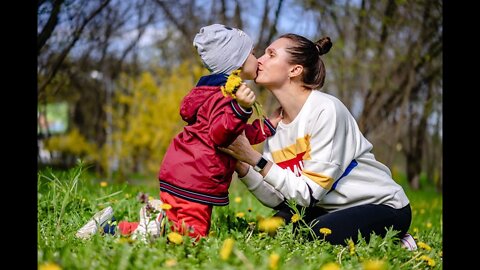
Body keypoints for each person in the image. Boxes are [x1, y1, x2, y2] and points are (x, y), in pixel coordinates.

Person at [76, 24, 280, 241]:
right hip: (195, 178)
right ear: (236, 62)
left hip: (184, 172)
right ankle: (140, 222)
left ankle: (113, 228)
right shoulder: (226, 97)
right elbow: (221, 136)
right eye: (252, 53)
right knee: (192, 237)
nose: (257, 59)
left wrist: (267, 126)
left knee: (177, 230)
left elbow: (236, 136)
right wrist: (241, 108)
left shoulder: (213, 93)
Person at [219, 33, 417, 249]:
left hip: (380, 205)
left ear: (295, 70)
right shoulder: (276, 125)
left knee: (312, 235)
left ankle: (397, 240)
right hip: (327, 207)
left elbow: (307, 194)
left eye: (271, 54)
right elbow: (279, 198)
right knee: (270, 229)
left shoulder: (326, 110)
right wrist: (243, 165)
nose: (259, 60)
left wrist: (253, 157)